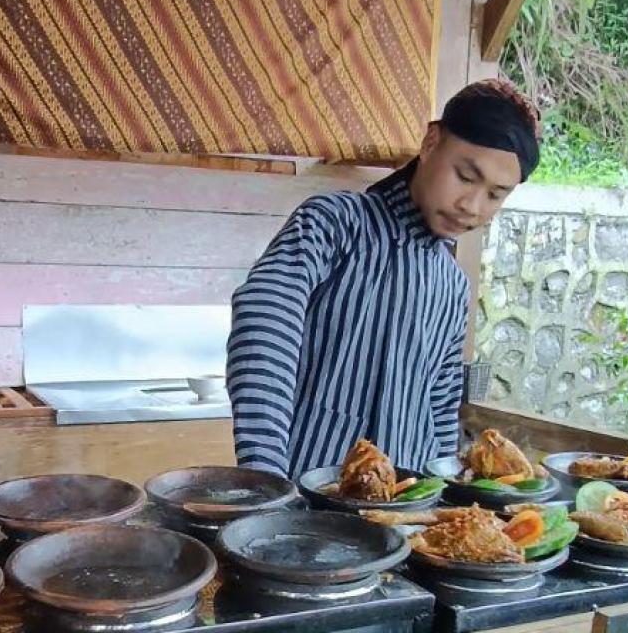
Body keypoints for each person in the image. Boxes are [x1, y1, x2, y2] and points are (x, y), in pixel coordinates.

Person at [226, 78, 541, 477]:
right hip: (303, 505)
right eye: (465, 176)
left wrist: (446, 492)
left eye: (495, 195)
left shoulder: (453, 285)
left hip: (410, 507)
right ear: (431, 143)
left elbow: (442, 409)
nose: (472, 205)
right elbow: (265, 321)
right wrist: (264, 476)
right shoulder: (334, 224)